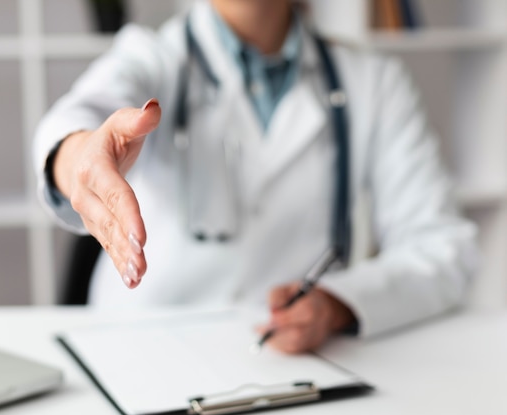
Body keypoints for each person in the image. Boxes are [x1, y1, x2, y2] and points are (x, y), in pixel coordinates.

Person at [33, 0, 477, 354]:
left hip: (291, 364)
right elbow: (76, 120)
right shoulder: (151, 57)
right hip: (142, 351)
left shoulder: (373, 81)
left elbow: (442, 248)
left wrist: (337, 305)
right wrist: (78, 158)